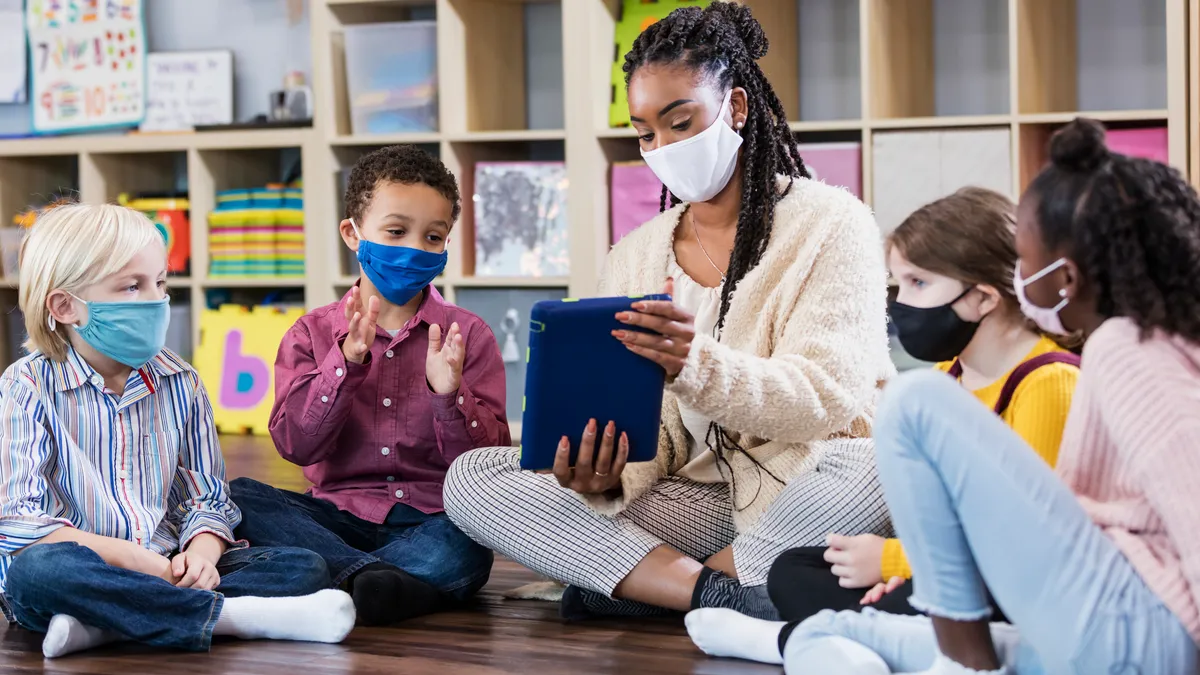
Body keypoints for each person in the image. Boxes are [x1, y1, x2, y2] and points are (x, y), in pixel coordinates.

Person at [443, 2, 894, 622]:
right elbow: (651, 434)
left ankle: (638, 583)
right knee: (474, 479)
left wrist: (695, 364)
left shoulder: (830, 223)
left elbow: (827, 398)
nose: (663, 147)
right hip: (692, 496)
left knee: (874, 465)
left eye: (681, 123)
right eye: (647, 132)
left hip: (807, 480)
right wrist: (602, 474)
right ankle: (721, 596)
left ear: (735, 108)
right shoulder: (634, 256)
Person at [772, 119, 1200, 674]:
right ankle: (813, 638)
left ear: (1065, 277)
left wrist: (899, 562)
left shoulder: (1121, 348)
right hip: (1119, 610)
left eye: (1024, 261)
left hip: (1137, 623)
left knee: (911, 402)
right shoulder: (1156, 338)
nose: (1019, 279)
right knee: (835, 617)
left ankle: (963, 666)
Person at [685, 187, 1081, 664]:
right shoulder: (944, 380)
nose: (899, 303)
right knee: (794, 570)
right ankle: (876, 640)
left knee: (917, 596)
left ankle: (811, 644)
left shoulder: (1048, 383)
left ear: (981, 297)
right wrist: (906, 567)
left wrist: (894, 562)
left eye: (917, 284)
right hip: (947, 568)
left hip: (1016, 581)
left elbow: (1022, 544)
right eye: (897, 283)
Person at [0, 204, 354, 659]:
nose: (156, 299)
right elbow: (19, 522)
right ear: (66, 306)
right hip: (84, 567)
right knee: (40, 573)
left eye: (160, 283)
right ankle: (234, 619)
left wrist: (202, 556)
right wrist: (133, 560)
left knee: (302, 567)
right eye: (133, 286)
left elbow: (208, 498)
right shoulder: (25, 385)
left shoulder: (180, 380)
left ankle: (104, 625)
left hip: (167, 565)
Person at [230, 145, 507, 626]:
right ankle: (384, 585)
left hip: (431, 521)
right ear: (352, 234)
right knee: (238, 497)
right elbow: (296, 445)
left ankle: (334, 580)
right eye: (396, 231)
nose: (414, 249)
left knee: (466, 548)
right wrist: (345, 365)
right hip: (335, 518)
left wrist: (449, 396)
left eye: (433, 237)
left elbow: (490, 464)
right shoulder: (311, 334)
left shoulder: (468, 335)